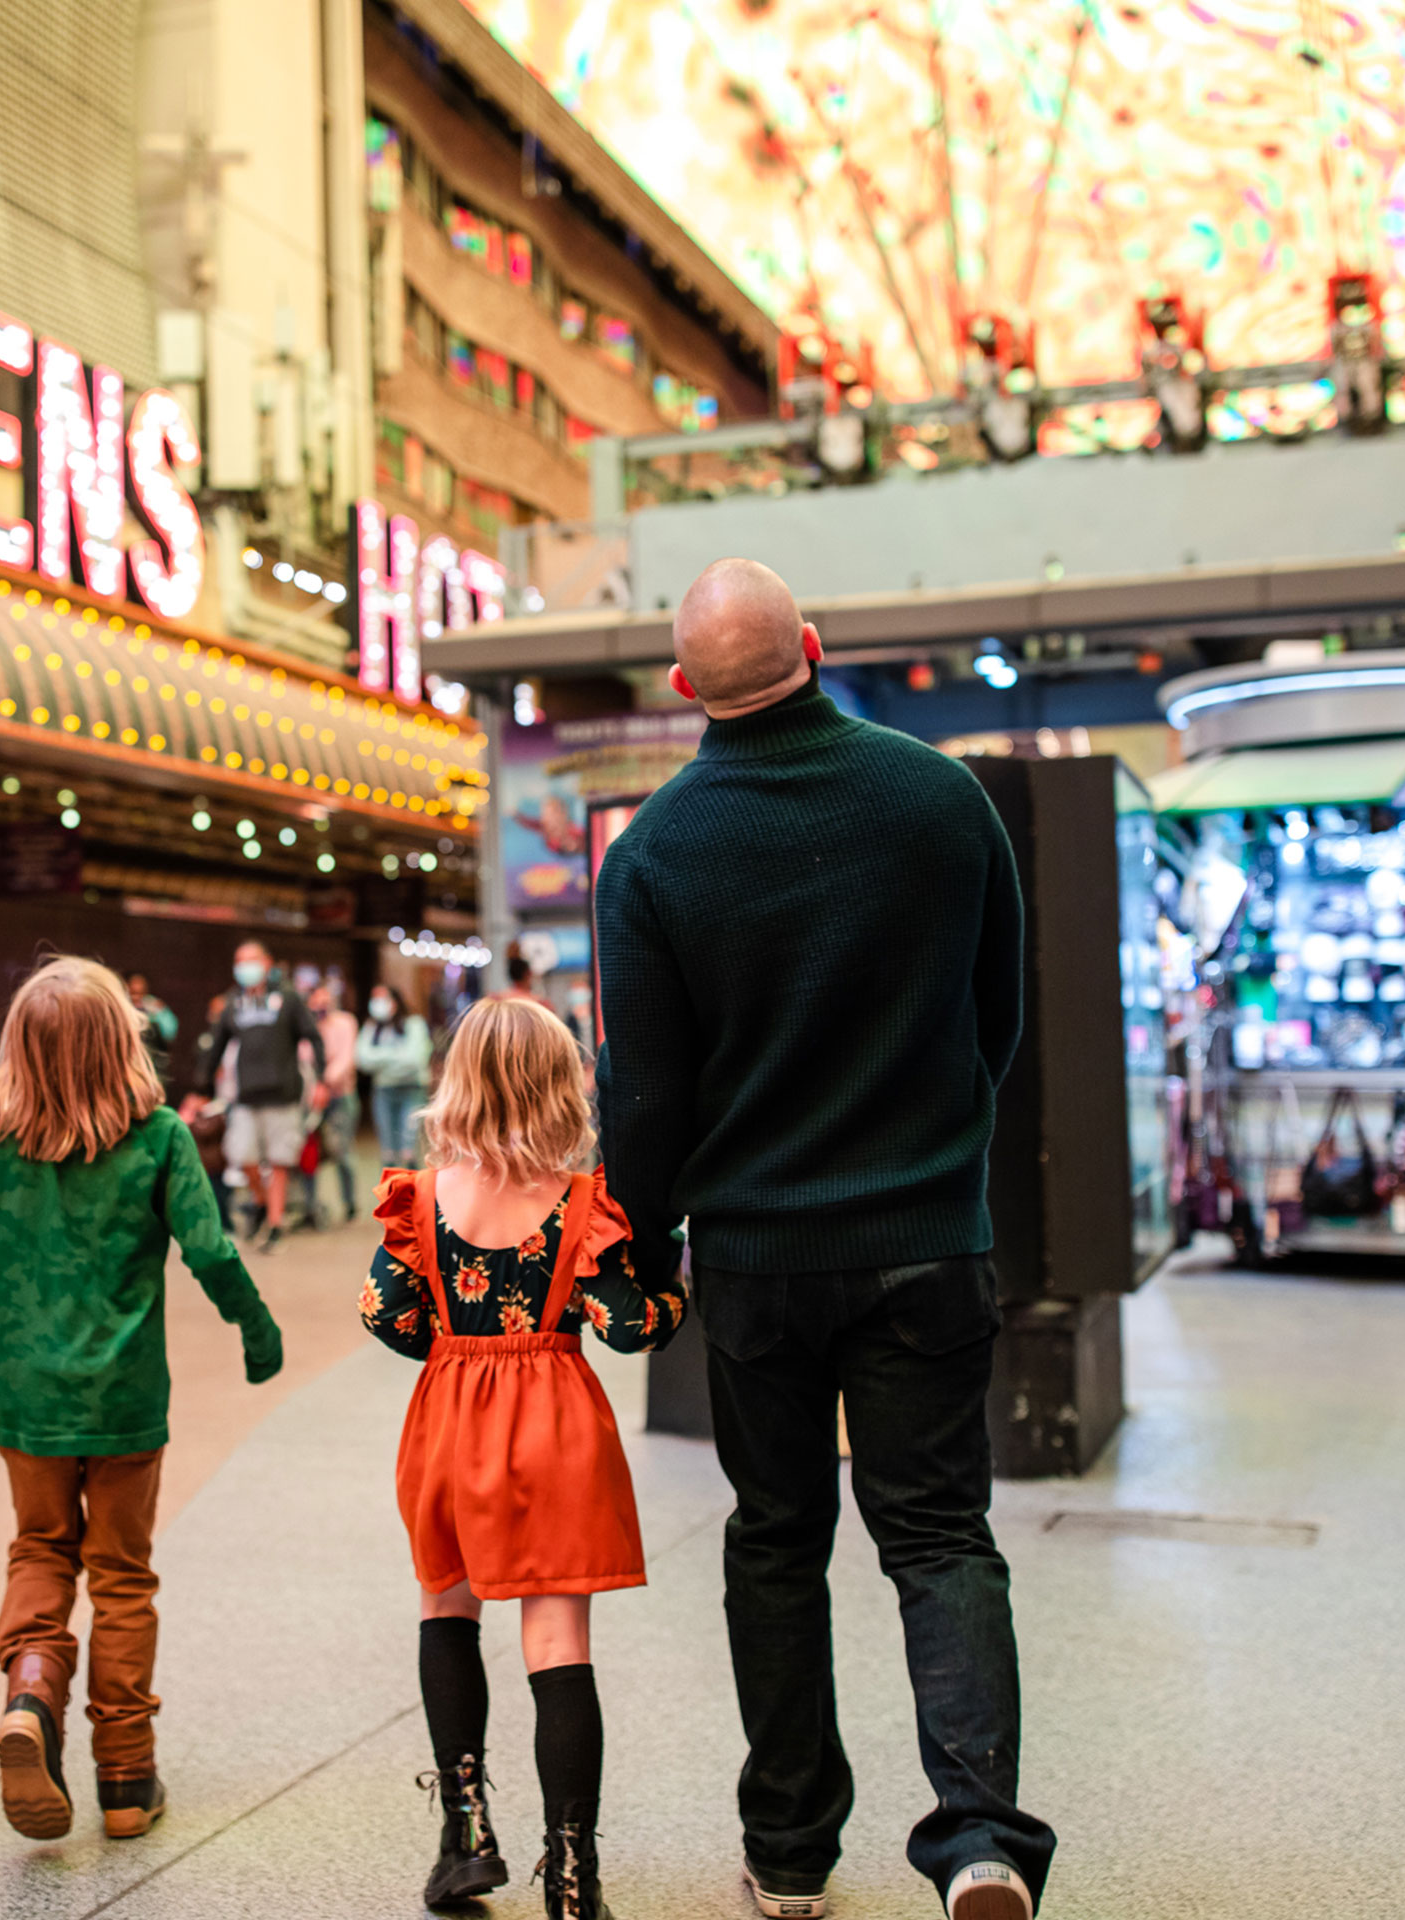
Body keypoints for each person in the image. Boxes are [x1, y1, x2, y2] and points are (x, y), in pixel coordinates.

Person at [595, 558, 1049, 1920]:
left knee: (776, 1538)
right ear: (812, 642)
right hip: (925, 1237)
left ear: (685, 689)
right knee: (940, 1537)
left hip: (756, 1263)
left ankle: (790, 1859)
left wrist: (646, 1244)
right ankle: (977, 1840)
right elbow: (998, 1013)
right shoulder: (939, 797)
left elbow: (647, 1091)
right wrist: (940, 1152)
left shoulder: (656, 855)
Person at [0, 957, 283, 1842]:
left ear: (19, 1054)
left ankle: (31, 1693)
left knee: (40, 1549)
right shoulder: (159, 1139)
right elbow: (214, 1253)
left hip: (28, 1402)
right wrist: (258, 1334)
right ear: (124, 1042)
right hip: (124, 1404)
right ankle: (124, 1777)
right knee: (120, 1577)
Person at [362, 998, 682, 1920]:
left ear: (458, 1081)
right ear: (560, 1087)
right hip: (557, 1430)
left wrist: (457, 1350)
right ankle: (572, 1875)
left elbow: (386, 1316)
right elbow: (626, 1327)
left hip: (451, 1426)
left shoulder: (420, 1201)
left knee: (446, 1610)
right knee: (557, 1646)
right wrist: (672, 1305)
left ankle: (464, 1839)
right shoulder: (582, 1206)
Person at [188, 940, 321, 1251]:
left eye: (251, 960)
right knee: (242, 1156)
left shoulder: (288, 999)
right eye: (240, 961)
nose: (245, 967)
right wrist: (200, 1089)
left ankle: (274, 1224)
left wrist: (323, 1081)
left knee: (278, 1161)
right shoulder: (233, 1004)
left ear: (267, 962)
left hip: (283, 1095)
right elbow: (215, 1048)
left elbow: (313, 1037)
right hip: (246, 1097)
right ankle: (261, 1202)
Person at [359, 985, 434, 1166]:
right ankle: (391, 1194)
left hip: (412, 1091)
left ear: (395, 1001)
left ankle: (411, 1194)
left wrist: (381, 1061)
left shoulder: (414, 1024)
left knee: (408, 1149)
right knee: (388, 1152)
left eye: (382, 999)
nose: (377, 1004)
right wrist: (396, 1057)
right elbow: (362, 1059)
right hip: (384, 1092)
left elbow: (415, 1060)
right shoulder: (372, 1027)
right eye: (374, 999)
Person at [309, 978, 361, 1226]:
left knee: (342, 1152)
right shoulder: (306, 1025)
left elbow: (346, 1058)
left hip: (340, 1096)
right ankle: (311, 1206)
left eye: (325, 1000)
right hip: (310, 1100)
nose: (321, 1005)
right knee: (308, 1154)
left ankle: (349, 1202)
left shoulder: (345, 1023)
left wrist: (324, 1084)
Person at [124, 971, 180, 1079]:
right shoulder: (123, 1007)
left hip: (151, 1060)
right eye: (134, 993)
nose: (137, 997)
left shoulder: (154, 1007)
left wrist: (160, 1012)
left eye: (140, 993)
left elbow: (170, 1032)